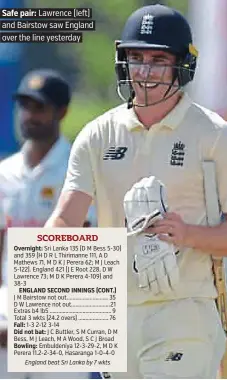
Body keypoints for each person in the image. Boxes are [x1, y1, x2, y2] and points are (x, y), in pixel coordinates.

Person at [45, 4, 227, 379]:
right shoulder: (97, 134)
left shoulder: (213, 134)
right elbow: (66, 218)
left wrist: (188, 234)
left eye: (158, 60)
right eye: (136, 58)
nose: (145, 71)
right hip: (117, 315)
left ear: (181, 66)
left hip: (184, 310)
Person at [0, 69, 95, 378]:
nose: (29, 114)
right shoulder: (5, 172)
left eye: (39, 107)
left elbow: (85, 259)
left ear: (62, 112)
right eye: (24, 105)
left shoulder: (79, 170)